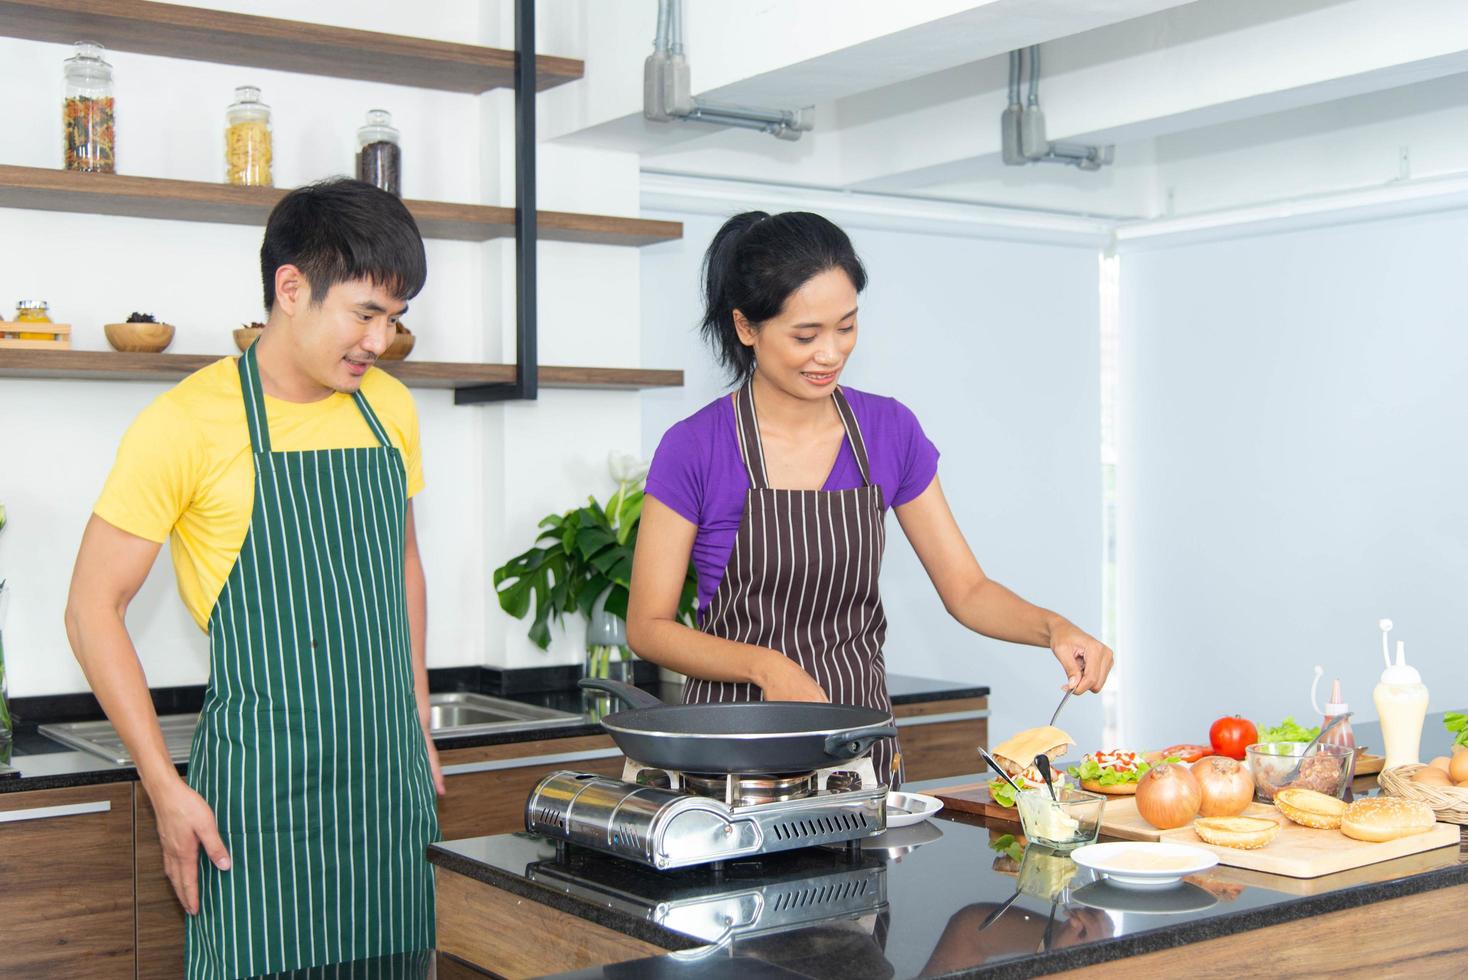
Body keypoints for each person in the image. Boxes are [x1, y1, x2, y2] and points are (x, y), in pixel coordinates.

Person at [63, 179, 442, 979]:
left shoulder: (391, 410)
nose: (381, 341)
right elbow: (92, 608)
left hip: (386, 790)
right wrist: (166, 788)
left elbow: (401, 560)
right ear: (291, 288)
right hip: (261, 805)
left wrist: (415, 714)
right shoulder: (185, 423)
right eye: (366, 313)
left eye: (396, 318)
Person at [626, 211, 1114, 786]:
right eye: (806, 336)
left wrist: (1054, 627)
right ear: (747, 327)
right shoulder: (695, 447)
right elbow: (648, 626)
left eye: (846, 327)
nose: (830, 353)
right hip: (734, 754)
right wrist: (765, 667)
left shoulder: (889, 431)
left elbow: (968, 590)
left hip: (855, 751)